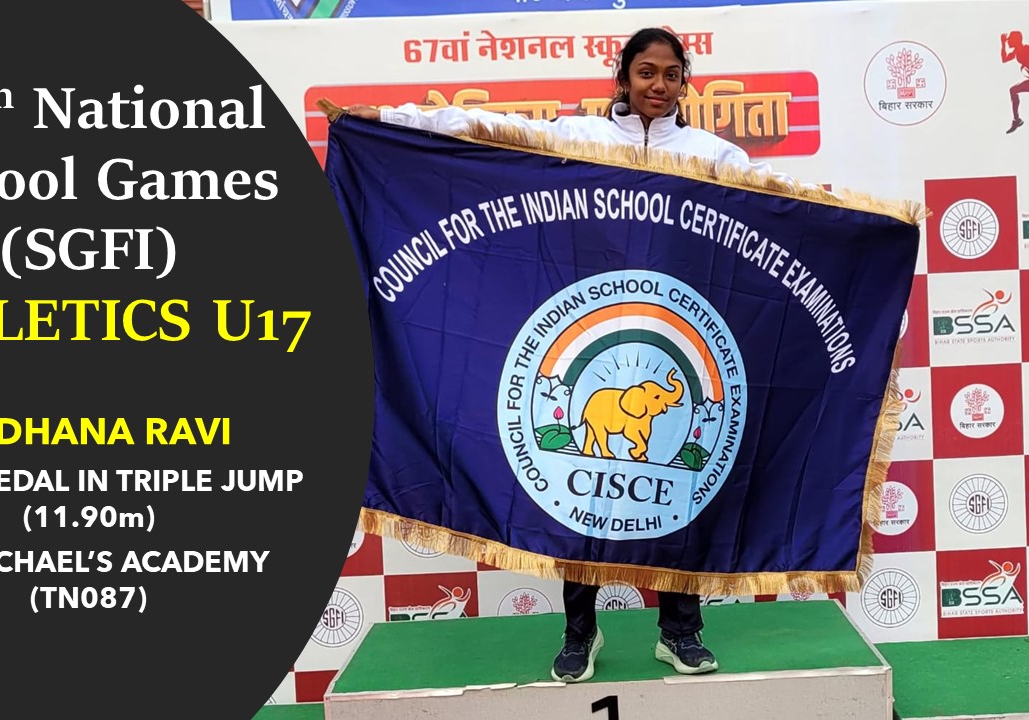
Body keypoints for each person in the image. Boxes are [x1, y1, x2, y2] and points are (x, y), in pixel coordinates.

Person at [342, 26, 810, 684]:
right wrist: (393, 120)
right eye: (646, 72)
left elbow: (792, 210)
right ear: (624, 76)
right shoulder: (579, 139)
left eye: (671, 74)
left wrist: (870, 241)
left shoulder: (713, 156)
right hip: (592, 335)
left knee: (679, 498)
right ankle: (578, 633)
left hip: (674, 340)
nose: (658, 85)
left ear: (685, 81)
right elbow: (485, 131)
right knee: (579, 497)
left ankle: (680, 633)